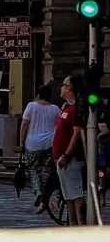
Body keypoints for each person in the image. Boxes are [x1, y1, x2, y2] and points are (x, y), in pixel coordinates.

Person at [51, 75, 86, 226]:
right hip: (60, 158)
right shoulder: (65, 107)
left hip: (69, 159)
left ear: (69, 88)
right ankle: (72, 225)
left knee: (76, 194)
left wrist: (67, 154)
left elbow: (77, 133)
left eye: (63, 85)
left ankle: (79, 223)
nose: (60, 87)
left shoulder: (75, 109)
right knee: (68, 196)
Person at [19, 84, 59, 214]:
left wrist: (22, 141)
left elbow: (25, 123)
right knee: (47, 170)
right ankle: (47, 196)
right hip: (49, 143)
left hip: (32, 143)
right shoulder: (55, 109)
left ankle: (39, 191)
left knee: (33, 169)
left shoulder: (31, 106)